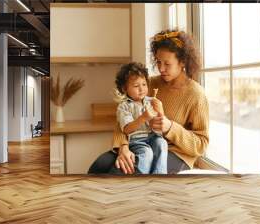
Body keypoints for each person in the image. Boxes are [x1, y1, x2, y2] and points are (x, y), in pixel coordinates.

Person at [88, 29, 209, 174]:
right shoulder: (149, 84)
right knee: (98, 166)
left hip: (176, 153)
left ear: (182, 61)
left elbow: (201, 144)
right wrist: (123, 147)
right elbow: (123, 119)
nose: (161, 68)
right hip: (140, 142)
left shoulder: (196, 95)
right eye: (158, 62)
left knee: (119, 172)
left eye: (167, 63)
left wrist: (170, 127)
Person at [112, 62, 167, 174]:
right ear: (125, 89)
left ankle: (160, 178)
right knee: (146, 152)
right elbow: (127, 129)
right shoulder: (124, 106)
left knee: (162, 144)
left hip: (152, 136)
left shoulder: (151, 101)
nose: (141, 89)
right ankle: (140, 181)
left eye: (144, 84)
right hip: (137, 140)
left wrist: (160, 111)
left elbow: (160, 125)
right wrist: (143, 117)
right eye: (136, 86)